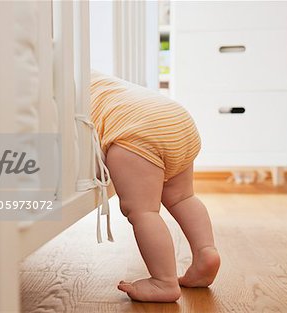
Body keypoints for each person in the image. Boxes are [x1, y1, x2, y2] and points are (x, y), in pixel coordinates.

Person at [90, 71, 221, 302]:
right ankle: (205, 253)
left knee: (143, 212)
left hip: (136, 132)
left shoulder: (47, 88)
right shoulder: (88, 73)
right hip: (174, 117)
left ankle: (164, 282)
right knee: (183, 197)